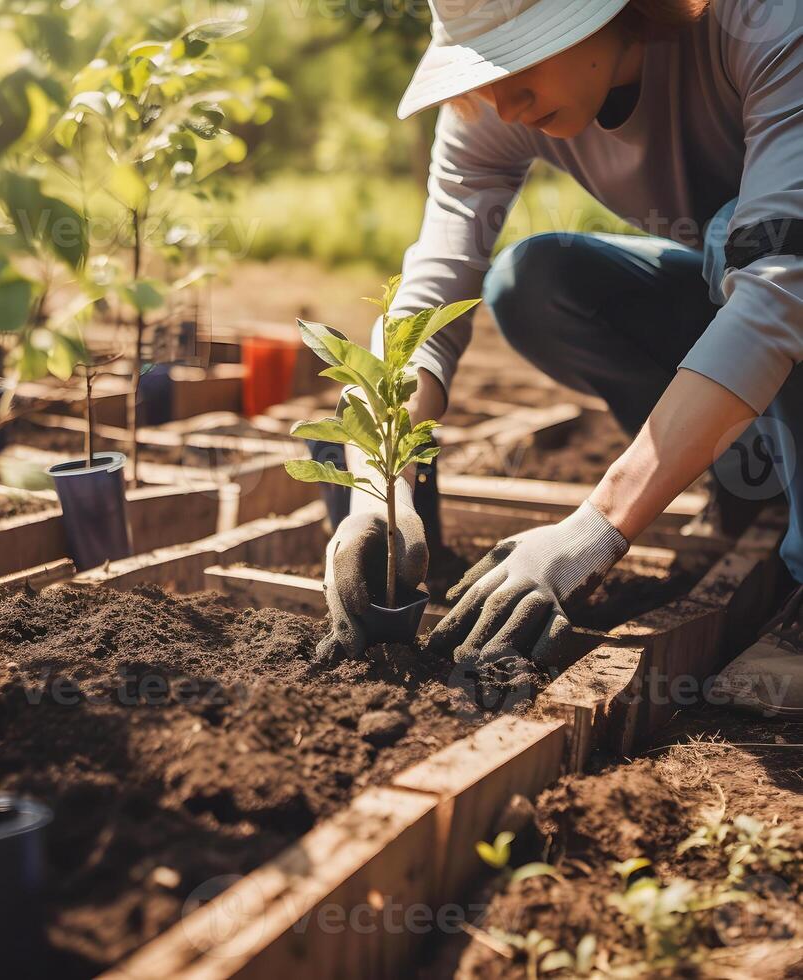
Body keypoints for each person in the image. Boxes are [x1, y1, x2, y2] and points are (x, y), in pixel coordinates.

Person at [319, 0, 803, 717]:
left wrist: (593, 528)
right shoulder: (491, 105)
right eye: (481, 65)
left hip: (781, 276)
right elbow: (430, 286)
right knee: (535, 282)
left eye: (517, 56)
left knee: (744, 240)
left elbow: (778, 291)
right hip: (737, 288)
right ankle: (746, 474)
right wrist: (374, 489)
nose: (500, 99)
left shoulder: (764, 24)